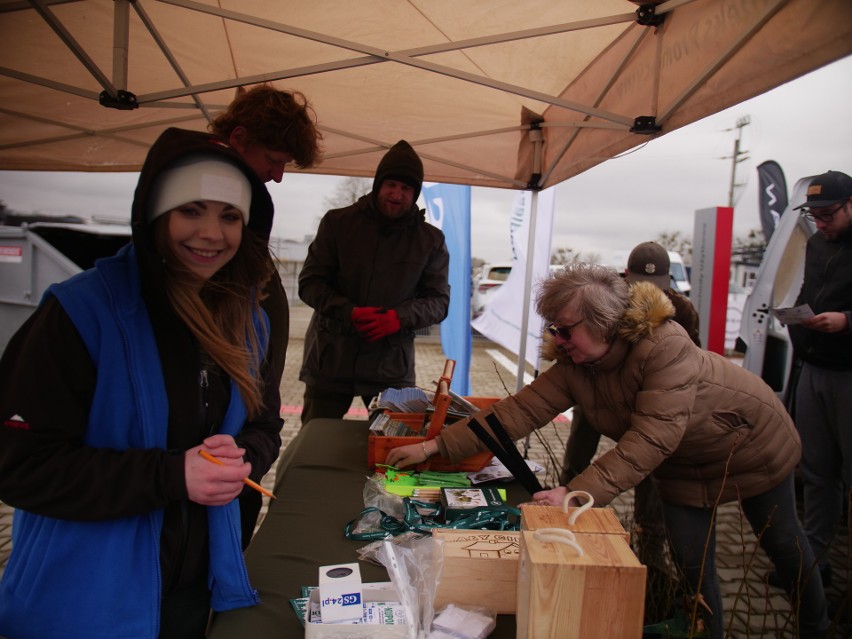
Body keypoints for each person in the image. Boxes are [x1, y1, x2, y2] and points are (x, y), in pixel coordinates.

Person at [386, 263, 829, 639]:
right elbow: (518, 413)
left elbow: (652, 438)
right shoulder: (576, 363)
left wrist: (575, 493)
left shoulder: (665, 347)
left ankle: (818, 625)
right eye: (553, 328)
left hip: (751, 444)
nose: (557, 338)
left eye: (565, 328)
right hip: (682, 467)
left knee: (785, 547)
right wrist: (436, 445)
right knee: (694, 569)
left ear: (602, 322)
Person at [0, 128, 283, 639]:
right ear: (154, 213)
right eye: (191, 209)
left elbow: (264, 423)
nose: (212, 233)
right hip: (85, 602)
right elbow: (19, 465)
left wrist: (243, 456)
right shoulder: (80, 312)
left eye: (229, 215)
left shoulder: (248, 320)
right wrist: (172, 475)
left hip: (194, 589)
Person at [209, 83, 323, 546]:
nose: (277, 175)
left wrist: (256, 445)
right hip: (216, 450)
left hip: (240, 440)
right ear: (239, 139)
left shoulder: (252, 195)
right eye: (273, 160)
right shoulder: (226, 191)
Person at [296, 139, 450, 425]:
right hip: (330, 359)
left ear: (414, 194)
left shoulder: (430, 240)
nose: (397, 194)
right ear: (378, 184)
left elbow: (439, 301)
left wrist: (398, 318)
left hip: (391, 367)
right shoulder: (337, 223)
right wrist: (349, 312)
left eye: (406, 188)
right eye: (391, 184)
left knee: (393, 451)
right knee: (314, 439)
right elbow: (310, 283)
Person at [782, 169, 852, 591]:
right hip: (815, 367)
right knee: (817, 472)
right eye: (815, 215)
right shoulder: (814, 244)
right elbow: (808, 290)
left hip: (849, 374)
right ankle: (815, 564)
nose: (820, 223)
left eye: (827, 214)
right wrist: (799, 316)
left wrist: (847, 321)